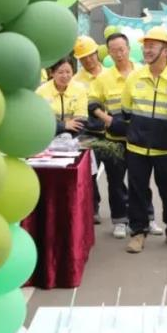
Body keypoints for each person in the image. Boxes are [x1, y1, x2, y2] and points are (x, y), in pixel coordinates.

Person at [111, 26, 167, 253]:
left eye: (152, 46)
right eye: (145, 46)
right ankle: (138, 233)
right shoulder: (134, 77)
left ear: (166, 50)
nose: (146, 50)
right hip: (136, 147)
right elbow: (126, 111)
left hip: (166, 149)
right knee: (137, 191)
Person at [90, 32, 162, 240]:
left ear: (129, 49)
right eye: (114, 51)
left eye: (122, 49)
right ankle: (120, 221)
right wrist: (107, 119)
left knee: (141, 181)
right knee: (115, 182)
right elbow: (92, 103)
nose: (119, 54)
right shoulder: (103, 78)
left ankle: (148, 218)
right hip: (114, 140)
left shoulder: (143, 72)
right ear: (109, 53)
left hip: (140, 138)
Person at [72, 36, 106, 224]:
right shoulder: (76, 81)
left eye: (90, 55)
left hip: (111, 132)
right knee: (90, 173)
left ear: (96, 53)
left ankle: (122, 214)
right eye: (83, 58)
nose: (88, 60)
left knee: (117, 175)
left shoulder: (109, 74)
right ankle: (93, 208)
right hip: (88, 133)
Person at [36, 57, 88, 135]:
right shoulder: (41, 92)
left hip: (72, 137)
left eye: (68, 72)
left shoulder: (80, 89)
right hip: (48, 136)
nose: (65, 76)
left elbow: (81, 122)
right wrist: (63, 125)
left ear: (73, 72)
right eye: (60, 72)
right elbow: (40, 122)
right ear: (52, 73)